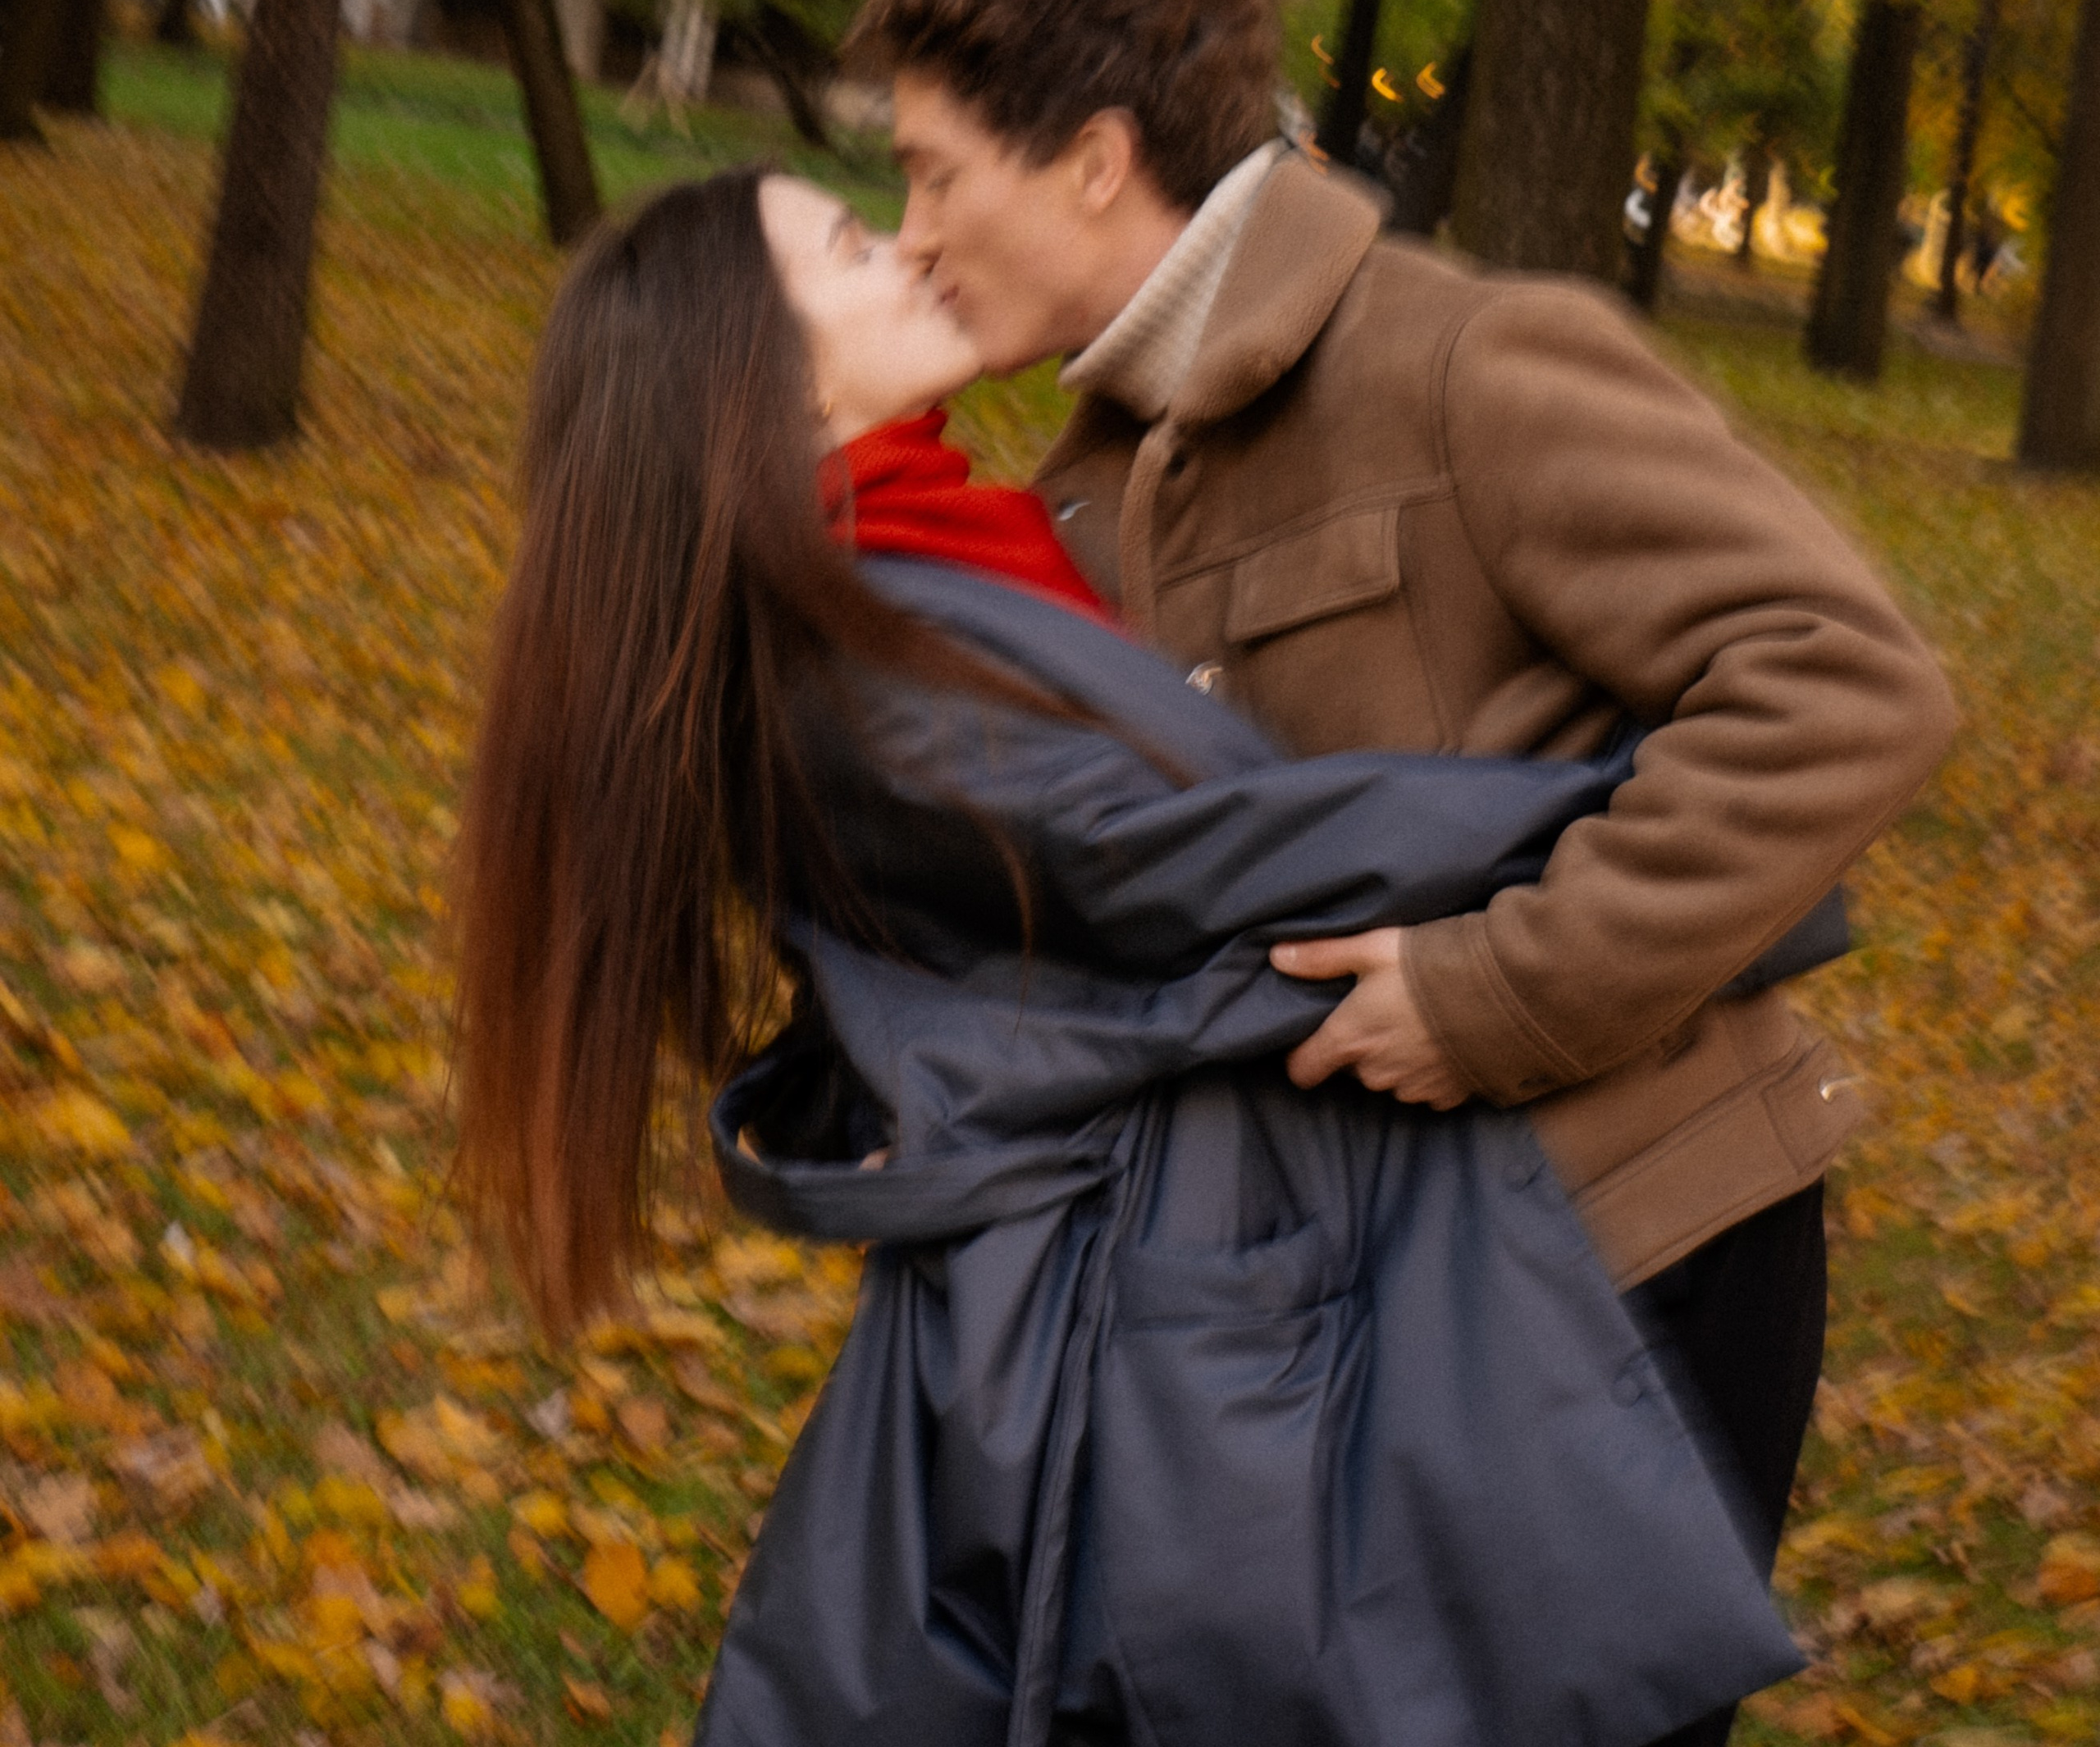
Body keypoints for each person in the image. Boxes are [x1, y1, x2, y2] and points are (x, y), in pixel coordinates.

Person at [452, 167, 1802, 1747]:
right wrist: (1631, 815)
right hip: (1167, 1300)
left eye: (917, 189)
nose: (908, 244)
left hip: (1227, 1252)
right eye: (851, 240)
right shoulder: (845, 642)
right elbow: (1191, 858)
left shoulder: (955, 533)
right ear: (759, 367)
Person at [843, 0, 1960, 1747]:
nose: (910, 232)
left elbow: (1843, 679)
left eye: (931, 173)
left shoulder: (1452, 362)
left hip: (1625, 1265)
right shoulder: (1097, 478)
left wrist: (1498, 988)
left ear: (1095, 159)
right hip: (1345, 1315)